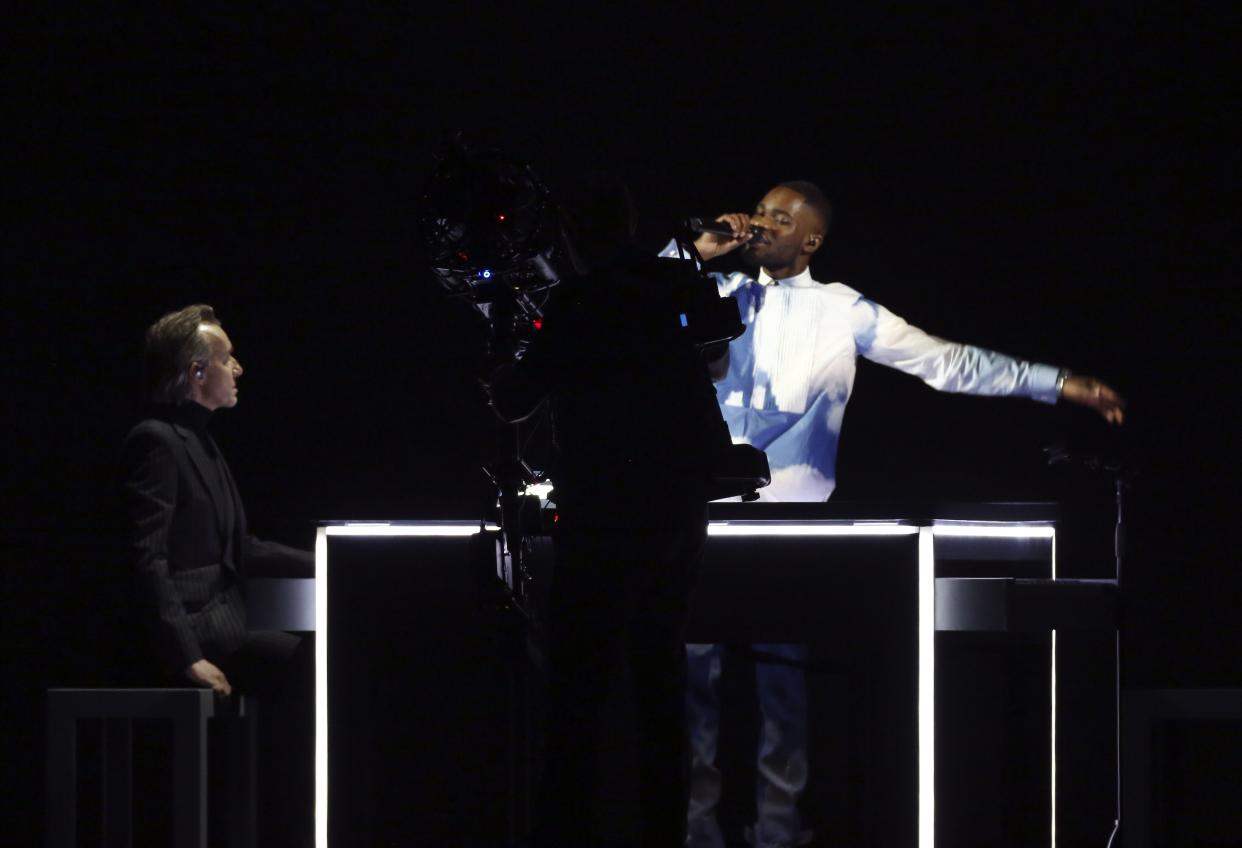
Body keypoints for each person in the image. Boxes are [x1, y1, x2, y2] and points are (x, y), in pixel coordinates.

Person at [670, 181, 1126, 848]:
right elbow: (628, 305)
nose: (762, 223)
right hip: (704, 518)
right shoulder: (716, 292)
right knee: (692, 688)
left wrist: (1053, 382)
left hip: (794, 526)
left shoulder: (842, 309)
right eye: (759, 210)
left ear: (811, 239)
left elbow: (944, 362)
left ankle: (779, 832)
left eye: (779, 216)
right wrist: (694, 251)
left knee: (782, 690)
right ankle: (692, 833)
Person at [484, 174, 739, 848]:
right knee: (660, 676)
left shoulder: (575, 303)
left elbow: (515, 399)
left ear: (573, 233)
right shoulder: (669, 284)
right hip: (674, 509)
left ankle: (566, 832)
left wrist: (502, 351)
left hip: (600, 512)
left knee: (579, 686)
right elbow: (713, 354)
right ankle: (663, 833)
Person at [120, 304, 314, 847]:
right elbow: (147, 560)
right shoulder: (156, 443)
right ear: (197, 373)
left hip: (224, 622)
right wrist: (188, 656)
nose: (240, 369)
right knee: (311, 663)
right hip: (200, 633)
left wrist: (326, 561)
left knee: (319, 652)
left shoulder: (201, 440)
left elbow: (242, 547)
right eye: (228, 359)